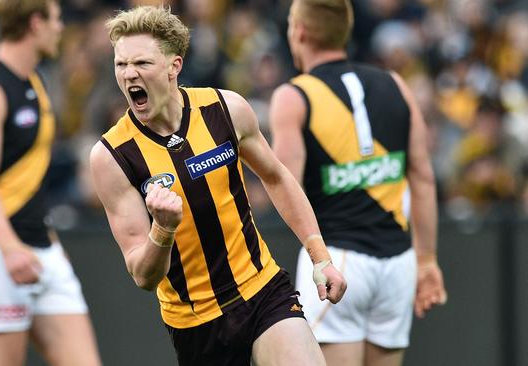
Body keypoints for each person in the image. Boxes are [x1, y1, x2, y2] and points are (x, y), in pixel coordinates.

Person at [89, 6, 346, 366]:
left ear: (173, 66)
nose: (129, 73)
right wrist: (162, 229)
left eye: (142, 64)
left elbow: (276, 177)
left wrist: (321, 258)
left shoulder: (226, 108)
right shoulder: (111, 156)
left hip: (262, 291)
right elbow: (143, 275)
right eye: (121, 65)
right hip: (196, 324)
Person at [268, 1, 448, 366]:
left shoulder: (293, 96)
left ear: (298, 31)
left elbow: (286, 187)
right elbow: (424, 176)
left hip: (337, 260)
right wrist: (427, 261)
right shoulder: (395, 83)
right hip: (398, 261)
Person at [0, 1, 102, 365]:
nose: (61, 28)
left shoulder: (36, 81)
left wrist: (47, 240)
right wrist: (10, 248)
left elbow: (28, 179)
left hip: (40, 251)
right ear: (36, 23)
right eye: (56, 19)